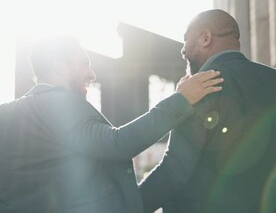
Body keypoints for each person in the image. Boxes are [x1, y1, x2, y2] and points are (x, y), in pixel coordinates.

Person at [0, 35, 223, 213]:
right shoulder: (60, 103)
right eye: (84, 64)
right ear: (59, 68)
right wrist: (181, 100)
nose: (92, 73)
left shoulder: (6, 115)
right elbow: (116, 144)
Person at [139, 9, 276, 213]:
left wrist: (125, 205)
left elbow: (174, 170)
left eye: (186, 40)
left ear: (206, 38)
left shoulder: (200, 88)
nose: (183, 50)